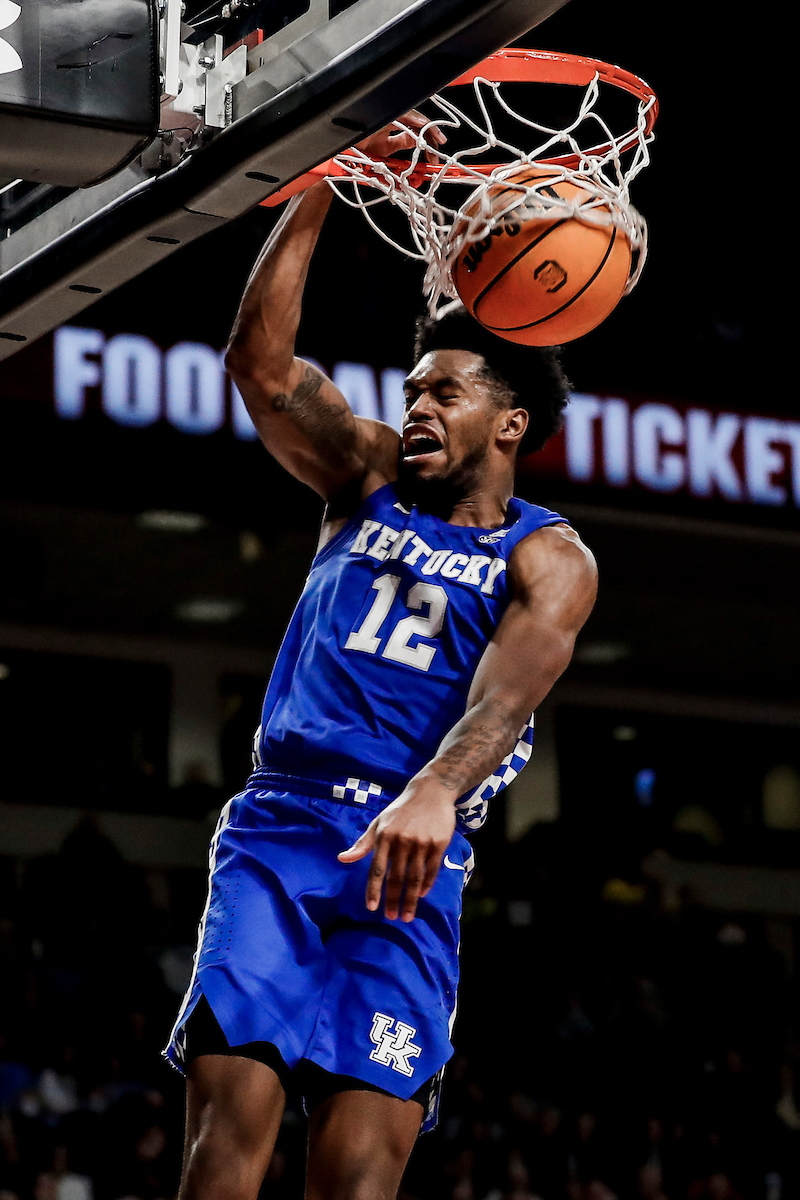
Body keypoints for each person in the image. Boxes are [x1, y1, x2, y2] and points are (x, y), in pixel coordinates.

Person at [164, 115, 598, 1200]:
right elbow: (260, 367)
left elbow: (502, 705)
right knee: (226, 1147)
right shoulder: (362, 479)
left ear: (508, 424)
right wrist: (320, 176)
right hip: (282, 825)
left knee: (357, 1179)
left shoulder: (548, 556)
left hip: (414, 855)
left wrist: (431, 796)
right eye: (409, 390)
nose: (413, 408)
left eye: (443, 394)